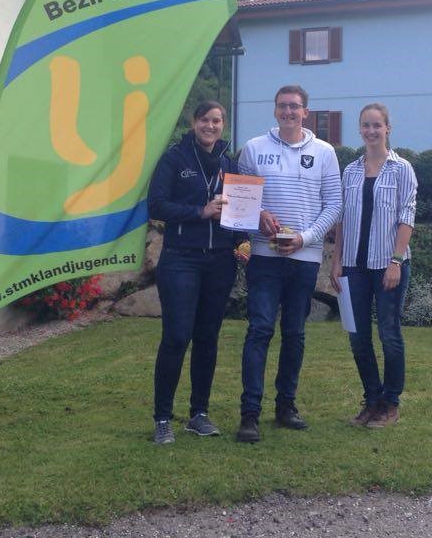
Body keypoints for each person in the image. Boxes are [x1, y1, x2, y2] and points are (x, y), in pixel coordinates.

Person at [235, 85, 342, 443]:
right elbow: (239, 201)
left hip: (304, 257)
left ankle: (286, 407)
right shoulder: (253, 148)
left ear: (306, 112)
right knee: (260, 330)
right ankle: (250, 413)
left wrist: (305, 238)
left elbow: (334, 204)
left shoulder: (324, 152)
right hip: (264, 257)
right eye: (282, 106)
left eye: (295, 107)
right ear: (275, 110)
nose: (288, 112)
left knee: (294, 333)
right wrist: (258, 215)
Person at [147, 100, 241, 445]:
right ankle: (162, 418)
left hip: (220, 261)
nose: (210, 126)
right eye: (204, 120)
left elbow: (240, 210)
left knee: (207, 338)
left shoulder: (230, 163)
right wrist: (200, 212)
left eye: (216, 121)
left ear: (223, 125)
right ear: (194, 122)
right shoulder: (175, 158)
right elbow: (156, 205)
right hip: (181, 259)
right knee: (176, 337)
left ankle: (198, 414)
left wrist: (243, 242)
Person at [330, 103, 417, 428]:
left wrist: (396, 261)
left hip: (388, 265)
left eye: (377, 125)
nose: (371, 131)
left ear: (387, 129)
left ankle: (390, 404)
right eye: (366, 125)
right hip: (354, 266)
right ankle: (371, 400)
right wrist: (337, 260)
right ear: (360, 129)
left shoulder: (401, 168)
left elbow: (407, 216)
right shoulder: (350, 171)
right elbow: (342, 219)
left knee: (389, 335)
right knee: (357, 337)